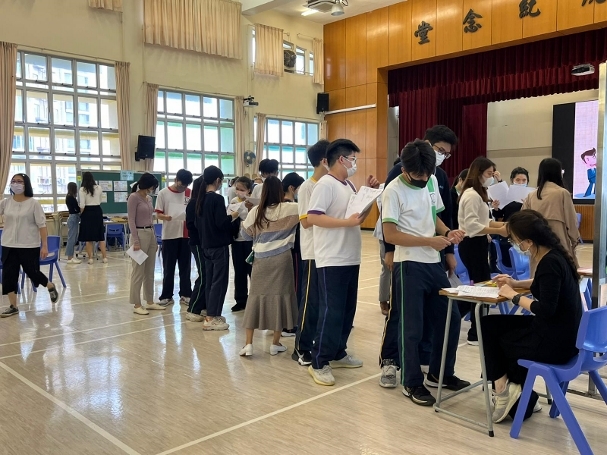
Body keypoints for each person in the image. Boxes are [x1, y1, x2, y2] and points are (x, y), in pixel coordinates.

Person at [381, 140, 470, 405]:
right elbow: (390, 234)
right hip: (409, 264)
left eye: (426, 175)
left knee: (451, 319)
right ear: (404, 169)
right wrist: (428, 241)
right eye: (417, 176)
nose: (423, 180)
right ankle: (411, 382)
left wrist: (447, 232)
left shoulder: (431, 180)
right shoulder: (393, 191)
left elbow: (434, 216)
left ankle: (440, 373)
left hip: (433, 263)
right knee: (412, 327)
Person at [487, 210, 583, 423]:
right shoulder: (555, 255)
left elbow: (545, 309)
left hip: (556, 343)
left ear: (529, 241)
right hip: (565, 336)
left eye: (515, 240)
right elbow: (544, 283)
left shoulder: (550, 262)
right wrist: (515, 283)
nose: (514, 244)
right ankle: (519, 392)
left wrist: (513, 296)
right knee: (490, 324)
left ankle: (504, 391)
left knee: (496, 338)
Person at [306, 139, 380, 386]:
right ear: (341, 159)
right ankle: (319, 361)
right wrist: (346, 223)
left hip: (350, 256)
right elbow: (313, 217)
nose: (355, 163)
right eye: (353, 158)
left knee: (347, 309)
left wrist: (370, 196)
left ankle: (338, 351)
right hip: (332, 258)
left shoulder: (348, 184)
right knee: (331, 310)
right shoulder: (325, 185)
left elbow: (357, 218)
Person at [239, 177, 300, 357]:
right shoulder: (291, 208)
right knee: (280, 298)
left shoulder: (256, 211)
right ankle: (275, 343)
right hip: (282, 260)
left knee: (255, 298)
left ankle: (248, 344)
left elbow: (245, 235)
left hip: (261, 260)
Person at [457, 157, 507, 345]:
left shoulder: (480, 194)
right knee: (481, 288)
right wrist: (498, 231)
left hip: (478, 243)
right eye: (489, 173)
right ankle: (474, 333)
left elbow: (485, 221)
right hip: (471, 244)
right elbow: (472, 226)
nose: (491, 177)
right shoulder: (471, 195)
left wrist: (504, 225)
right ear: (478, 173)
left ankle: (476, 329)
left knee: (482, 287)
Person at [291, 140, 330, 366]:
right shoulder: (308, 187)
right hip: (313, 252)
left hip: (329, 252)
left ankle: (318, 342)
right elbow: (306, 222)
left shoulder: (330, 185)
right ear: (324, 161)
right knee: (310, 301)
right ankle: (301, 347)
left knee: (324, 302)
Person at [0, 174, 59, 317]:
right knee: (9, 275)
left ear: (26, 184)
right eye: (13, 181)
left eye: (19, 181)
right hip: (8, 244)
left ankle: (50, 285)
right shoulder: (6, 202)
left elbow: (42, 225)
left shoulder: (33, 204)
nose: (16, 184)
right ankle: (13, 306)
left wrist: (44, 246)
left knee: (32, 272)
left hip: (29, 245)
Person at [196, 166, 240, 331]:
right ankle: (211, 317)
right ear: (217, 180)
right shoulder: (217, 199)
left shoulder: (201, 199)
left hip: (206, 245)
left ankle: (211, 313)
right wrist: (233, 216)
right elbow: (221, 223)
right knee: (219, 282)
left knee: (210, 281)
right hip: (218, 245)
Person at [522, 158, 580, 274]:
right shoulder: (562, 193)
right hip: (559, 243)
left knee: (539, 276)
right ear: (558, 173)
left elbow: (523, 221)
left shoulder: (531, 195)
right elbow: (572, 221)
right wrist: (575, 240)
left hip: (537, 244)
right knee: (561, 275)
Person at [127, 174, 165, 315]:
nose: (153, 189)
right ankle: (137, 304)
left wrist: (154, 239)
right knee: (138, 271)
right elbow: (131, 220)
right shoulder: (133, 197)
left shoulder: (148, 198)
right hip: (139, 234)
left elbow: (150, 219)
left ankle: (149, 301)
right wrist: (136, 241)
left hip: (150, 233)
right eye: (153, 186)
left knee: (150, 271)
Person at [155, 169, 193, 306]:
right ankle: (166, 296)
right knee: (168, 267)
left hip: (185, 235)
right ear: (176, 180)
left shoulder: (189, 193)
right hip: (169, 235)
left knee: (185, 267)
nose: (183, 188)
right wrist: (166, 217)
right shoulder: (163, 193)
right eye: (181, 185)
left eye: (186, 186)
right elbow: (158, 214)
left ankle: (186, 294)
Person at [281, 172, 305, 337]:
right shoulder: (293, 206)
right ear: (292, 188)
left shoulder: (278, 204)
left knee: (286, 285)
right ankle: (291, 324)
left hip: (282, 250)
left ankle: (284, 322)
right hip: (294, 250)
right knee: (295, 286)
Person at [491, 167, 529, 268]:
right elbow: (499, 216)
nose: (521, 182)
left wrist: (527, 205)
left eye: (524, 180)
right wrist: (496, 208)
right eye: (518, 180)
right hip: (508, 232)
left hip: (525, 233)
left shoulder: (531, 196)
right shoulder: (507, 195)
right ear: (512, 180)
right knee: (509, 261)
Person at [230, 176, 253, 313]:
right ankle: (240, 300)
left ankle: (254, 299)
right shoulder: (233, 201)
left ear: (249, 190)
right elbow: (230, 218)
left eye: (242, 189)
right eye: (237, 189)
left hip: (250, 241)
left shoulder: (253, 202)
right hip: (237, 240)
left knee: (252, 271)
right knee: (239, 271)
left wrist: (250, 209)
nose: (239, 191)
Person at [185, 176, 207, 322]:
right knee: (204, 274)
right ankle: (193, 308)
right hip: (197, 243)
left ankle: (204, 305)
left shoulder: (204, 201)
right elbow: (191, 225)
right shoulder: (193, 203)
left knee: (208, 274)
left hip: (205, 243)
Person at [78, 171, 107, 264]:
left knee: (88, 237)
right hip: (97, 211)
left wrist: (81, 214)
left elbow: (82, 205)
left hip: (87, 212)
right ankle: (104, 258)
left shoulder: (82, 189)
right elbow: (100, 200)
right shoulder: (99, 188)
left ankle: (90, 258)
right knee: (100, 236)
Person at [64, 182, 82, 264]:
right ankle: (70, 258)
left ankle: (71, 255)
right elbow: (77, 209)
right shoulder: (71, 197)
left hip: (73, 217)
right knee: (71, 238)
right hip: (73, 218)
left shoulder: (69, 196)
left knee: (73, 238)